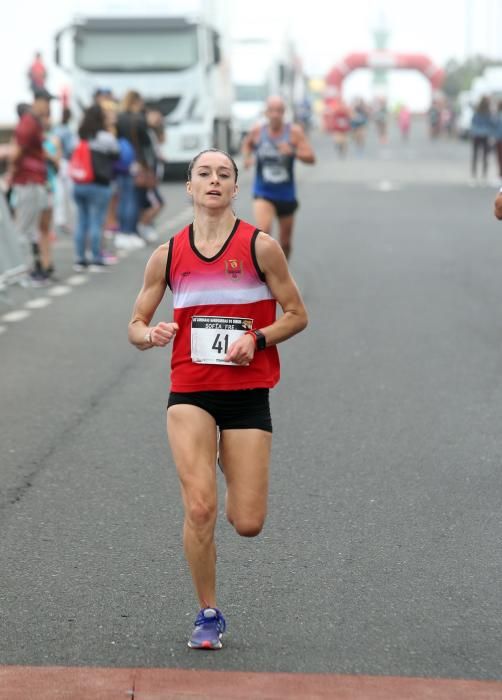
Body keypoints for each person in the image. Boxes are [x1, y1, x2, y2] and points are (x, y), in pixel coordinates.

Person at [128, 148, 308, 649]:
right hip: (190, 391)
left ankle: (232, 462)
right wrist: (150, 334)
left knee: (247, 522)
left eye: (223, 175)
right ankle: (208, 611)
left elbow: (296, 313)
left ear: (234, 187)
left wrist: (259, 338)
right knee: (201, 507)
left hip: (247, 390)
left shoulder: (260, 247)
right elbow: (134, 324)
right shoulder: (167, 254)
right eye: (203, 174)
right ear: (188, 187)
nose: (213, 181)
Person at [241, 95, 315, 260]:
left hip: (286, 194)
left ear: (284, 113)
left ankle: (282, 273)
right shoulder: (258, 131)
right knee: (264, 233)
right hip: (263, 192)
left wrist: (293, 152)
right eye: (271, 111)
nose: (275, 114)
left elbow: (311, 158)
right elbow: (247, 144)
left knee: (285, 242)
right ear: (266, 113)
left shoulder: (294, 132)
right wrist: (247, 158)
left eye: (279, 111)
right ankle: (265, 279)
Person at [9, 88, 58, 284]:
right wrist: (12, 173)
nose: (48, 105)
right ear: (38, 101)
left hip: (34, 179)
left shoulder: (34, 122)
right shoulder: (29, 123)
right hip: (27, 180)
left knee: (30, 228)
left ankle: (27, 270)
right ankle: (19, 272)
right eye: (46, 101)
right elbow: (18, 151)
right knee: (24, 228)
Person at [72, 105, 119, 270]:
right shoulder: (105, 137)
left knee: (81, 221)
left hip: (79, 184)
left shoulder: (79, 137)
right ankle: (95, 257)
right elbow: (116, 154)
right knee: (97, 222)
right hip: (99, 184)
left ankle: (79, 258)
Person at [470, 96, 494, 185]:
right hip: (485, 135)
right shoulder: (488, 112)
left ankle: (474, 175)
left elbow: (473, 121)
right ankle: (484, 175)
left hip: (476, 134)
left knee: (475, 156)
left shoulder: (477, 111)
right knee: (485, 156)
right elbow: (491, 123)